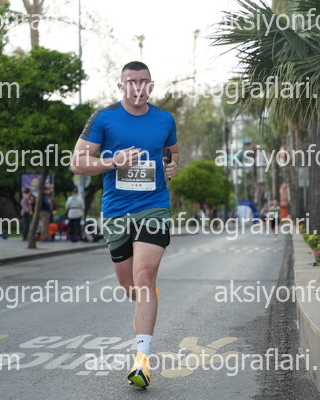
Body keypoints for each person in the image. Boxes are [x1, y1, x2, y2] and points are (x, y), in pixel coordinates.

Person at [71, 61, 179, 388]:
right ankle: (146, 304)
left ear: (151, 85)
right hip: (116, 212)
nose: (138, 87)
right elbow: (78, 162)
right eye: (131, 81)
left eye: (144, 81)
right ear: (121, 86)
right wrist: (113, 162)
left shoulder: (165, 120)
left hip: (154, 207)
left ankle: (142, 361)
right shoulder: (103, 118)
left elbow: (173, 153)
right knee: (130, 286)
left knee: (144, 277)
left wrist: (172, 167)